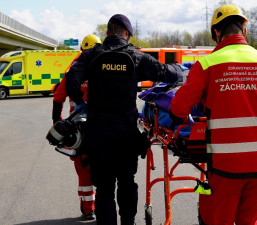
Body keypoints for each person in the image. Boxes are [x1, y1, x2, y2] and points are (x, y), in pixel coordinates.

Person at [169, 4, 257, 225]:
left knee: (219, 220)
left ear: (215, 33)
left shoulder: (207, 64)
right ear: (244, 30)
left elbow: (178, 108)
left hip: (225, 165)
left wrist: (185, 119)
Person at [65, 14, 182, 225]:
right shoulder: (136, 56)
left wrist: (83, 105)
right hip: (126, 136)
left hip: (98, 136)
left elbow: (71, 82)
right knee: (127, 183)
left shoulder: (91, 55)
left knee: (104, 189)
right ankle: (128, 222)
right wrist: (178, 68)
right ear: (127, 34)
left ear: (108, 32)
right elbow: (168, 75)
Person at [52, 34, 101, 220]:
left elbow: (58, 97)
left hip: (79, 132)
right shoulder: (104, 69)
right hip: (101, 127)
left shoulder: (73, 70)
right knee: (105, 168)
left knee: (84, 169)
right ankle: (103, 207)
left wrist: (57, 123)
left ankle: (88, 209)